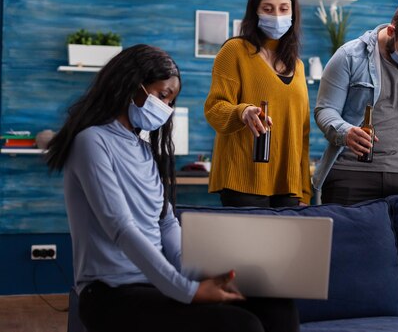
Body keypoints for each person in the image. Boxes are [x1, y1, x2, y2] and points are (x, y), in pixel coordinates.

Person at [46, 45, 299, 332]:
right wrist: (188, 291)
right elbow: (121, 228)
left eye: (170, 102)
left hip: (155, 285)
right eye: (162, 96)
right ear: (132, 86)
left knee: (276, 303)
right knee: (241, 325)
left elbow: (166, 224)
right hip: (110, 293)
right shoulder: (91, 142)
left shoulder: (143, 150)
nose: (165, 109)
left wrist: (204, 275)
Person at [314, 1, 398, 204]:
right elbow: (325, 109)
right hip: (350, 173)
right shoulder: (348, 57)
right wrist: (345, 132)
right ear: (391, 31)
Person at [205, 0, 311, 207]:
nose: (277, 16)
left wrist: (304, 190)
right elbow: (214, 109)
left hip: (289, 186)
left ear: (293, 13)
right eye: (268, 8)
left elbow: (302, 134)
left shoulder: (299, 66)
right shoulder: (234, 51)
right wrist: (242, 112)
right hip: (244, 180)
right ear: (255, 10)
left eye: (284, 9)